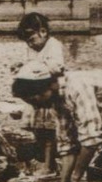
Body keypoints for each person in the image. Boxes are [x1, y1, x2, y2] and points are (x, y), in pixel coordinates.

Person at [14, 12, 66, 168]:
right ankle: (40, 159)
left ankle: (49, 164)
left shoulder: (53, 45)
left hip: (50, 95)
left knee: (50, 131)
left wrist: (36, 69)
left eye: (32, 40)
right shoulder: (36, 49)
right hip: (38, 95)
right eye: (27, 42)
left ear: (43, 32)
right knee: (37, 130)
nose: (30, 45)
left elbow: (57, 68)